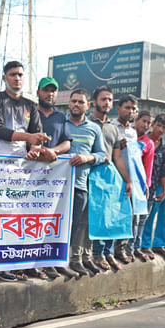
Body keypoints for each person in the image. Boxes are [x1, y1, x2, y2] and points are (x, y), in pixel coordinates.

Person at [61, 88, 106, 276]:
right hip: (57, 185)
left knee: (78, 225)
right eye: (73, 101)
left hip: (81, 184)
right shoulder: (59, 123)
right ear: (69, 104)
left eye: (81, 102)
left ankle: (74, 260)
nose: (76, 105)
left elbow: (103, 154)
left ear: (88, 106)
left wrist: (87, 158)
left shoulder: (94, 128)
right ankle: (54, 260)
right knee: (57, 223)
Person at [34, 76, 74, 279]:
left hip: (54, 176)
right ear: (38, 92)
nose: (49, 94)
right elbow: (23, 141)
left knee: (51, 219)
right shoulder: (29, 112)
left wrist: (53, 152)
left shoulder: (60, 116)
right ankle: (30, 265)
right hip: (29, 176)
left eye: (53, 91)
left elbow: (67, 143)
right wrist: (43, 152)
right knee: (31, 219)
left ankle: (52, 262)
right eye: (46, 90)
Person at [88, 86, 132, 271]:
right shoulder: (87, 123)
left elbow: (118, 157)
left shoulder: (113, 129)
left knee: (112, 215)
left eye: (110, 99)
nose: (107, 102)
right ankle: (95, 255)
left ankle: (107, 252)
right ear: (94, 102)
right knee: (97, 217)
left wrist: (127, 181)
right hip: (90, 176)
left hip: (110, 177)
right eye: (103, 99)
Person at [0, 61, 47, 155]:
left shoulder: (31, 105)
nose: (17, 78)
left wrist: (34, 148)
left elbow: (36, 132)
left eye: (20, 75)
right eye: (12, 75)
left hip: (22, 160)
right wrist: (28, 137)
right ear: (4, 78)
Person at [140, 113, 165, 261]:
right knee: (137, 218)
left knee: (150, 215)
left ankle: (147, 246)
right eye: (159, 125)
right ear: (152, 124)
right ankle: (135, 247)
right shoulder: (143, 140)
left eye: (164, 127)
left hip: (155, 185)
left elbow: (164, 169)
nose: (160, 129)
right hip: (139, 185)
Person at [111, 94, 142, 264]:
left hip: (130, 178)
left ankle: (121, 248)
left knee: (129, 215)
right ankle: (105, 251)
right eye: (127, 107)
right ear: (119, 108)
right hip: (114, 177)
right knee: (113, 214)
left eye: (133, 109)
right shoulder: (111, 127)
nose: (130, 111)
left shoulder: (133, 132)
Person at [134, 109, 154, 260]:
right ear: (136, 120)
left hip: (140, 185)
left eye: (148, 122)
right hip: (124, 182)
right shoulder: (127, 136)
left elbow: (148, 166)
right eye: (144, 121)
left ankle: (135, 247)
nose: (145, 125)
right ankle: (117, 249)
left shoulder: (148, 143)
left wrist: (146, 185)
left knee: (140, 218)